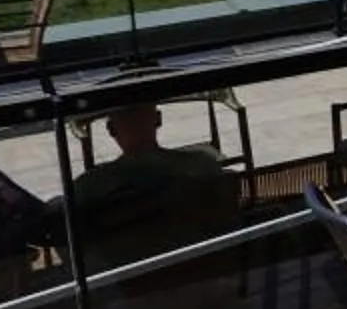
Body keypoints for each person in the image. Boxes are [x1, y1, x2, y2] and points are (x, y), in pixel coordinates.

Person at [67, 105, 234, 271]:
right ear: (158, 119)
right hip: (201, 273)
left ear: (111, 129)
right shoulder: (202, 165)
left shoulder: (88, 187)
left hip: (128, 285)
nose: (134, 121)